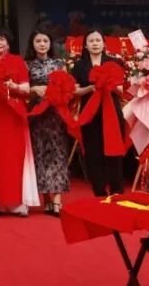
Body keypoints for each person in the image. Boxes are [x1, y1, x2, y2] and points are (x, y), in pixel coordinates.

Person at [0, 28, 39, 216]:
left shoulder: (17, 61)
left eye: (2, 39)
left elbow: (26, 88)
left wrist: (13, 86)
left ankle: (19, 203)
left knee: (15, 159)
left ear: (8, 43)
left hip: (14, 116)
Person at [72, 29, 127, 196]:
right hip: (90, 112)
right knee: (93, 152)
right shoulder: (79, 65)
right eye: (91, 41)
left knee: (114, 151)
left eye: (98, 40)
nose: (95, 44)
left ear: (104, 44)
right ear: (85, 45)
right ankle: (99, 191)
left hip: (111, 112)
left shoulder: (114, 62)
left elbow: (121, 90)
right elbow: (75, 91)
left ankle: (117, 190)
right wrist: (91, 88)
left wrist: (107, 84)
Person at [26, 26, 70, 215]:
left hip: (56, 113)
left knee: (59, 154)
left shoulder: (59, 63)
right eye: (38, 41)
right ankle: (46, 200)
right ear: (32, 44)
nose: (42, 44)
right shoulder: (27, 65)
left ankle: (58, 201)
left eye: (45, 41)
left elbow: (69, 88)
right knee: (40, 154)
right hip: (36, 115)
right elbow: (23, 90)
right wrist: (33, 90)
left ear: (51, 44)